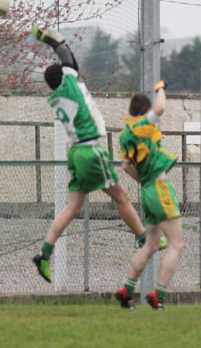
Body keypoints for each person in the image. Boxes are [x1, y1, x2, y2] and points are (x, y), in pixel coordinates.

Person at [30, 27, 166, 284]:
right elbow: (67, 57)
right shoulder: (69, 85)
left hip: (77, 152)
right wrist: (47, 38)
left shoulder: (58, 96)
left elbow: (69, 63)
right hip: (91, 150)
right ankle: (144, 239)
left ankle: (44, 254)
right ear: (65, 77)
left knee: (73, 207)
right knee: (121, 196)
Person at [115, 82, 184, 310]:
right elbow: (161, 108)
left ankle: (126, 290)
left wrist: (143, 180)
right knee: (177, 244)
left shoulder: (125, 135)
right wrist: (161, 88)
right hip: (159, 187)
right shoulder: (143, 126)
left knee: (152, 244)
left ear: (129, 112)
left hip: (146, 190)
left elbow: (125, 167)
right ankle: (159, 296)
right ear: (144, 113)